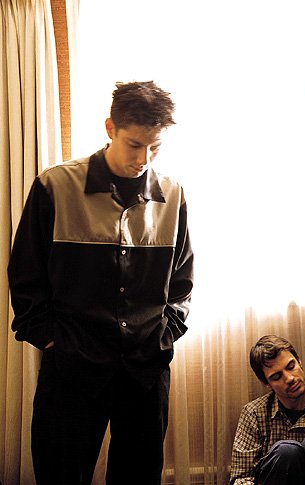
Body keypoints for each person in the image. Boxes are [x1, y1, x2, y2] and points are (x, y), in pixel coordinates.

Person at [8, 81, 194, 485]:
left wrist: (166, 333)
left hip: (145, 369)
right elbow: (25, 274)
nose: (144, 159)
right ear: (110, 128)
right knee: (60, 475)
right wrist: (51, 339)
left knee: (139, 477)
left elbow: (182, 281)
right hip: (72, 367)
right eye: (134, 145)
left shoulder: (174, 194)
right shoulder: (55, 186)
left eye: (155, 147)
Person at [230, 335, 305, 485]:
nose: (289, 378)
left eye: (291, 367)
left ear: (299, 362)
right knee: (286, 452)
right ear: (267, 383)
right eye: (277, 376)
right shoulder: (253, 414)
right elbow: (240, 479)